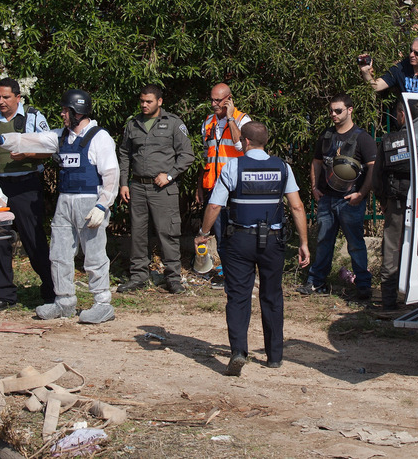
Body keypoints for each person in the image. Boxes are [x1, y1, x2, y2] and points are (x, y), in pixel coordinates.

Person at [0, 89, 120, 324]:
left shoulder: (99, 138)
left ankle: (102, 303)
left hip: (90, 203)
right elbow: (31, 139)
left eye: (66, 110)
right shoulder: (61, 137)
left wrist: (102, 206)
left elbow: (112, 175)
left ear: (78, 111)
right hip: (65, 202)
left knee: (94, 255)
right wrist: (2, 140)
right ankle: (64, 301)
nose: (63, 114)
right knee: (59, 254)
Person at [194, 121, 310, 376]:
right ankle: (275, 357)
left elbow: (215, 206)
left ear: (245, 142)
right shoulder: (282, 167)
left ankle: (238, 351)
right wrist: (303, 243)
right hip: (273, 240)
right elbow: (297, 206)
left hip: (239, 240)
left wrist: (203, 234)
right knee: (272, 295)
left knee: (238, 296)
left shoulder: (233, 166)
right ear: (264, 141)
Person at [0, 78, 54, 310]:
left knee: (34, 239)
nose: (1, 102)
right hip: (0, 187)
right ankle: (5, 295)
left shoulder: (34, 117)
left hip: (27, 185)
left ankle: (50, 289)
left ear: (18, 97)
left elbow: (50, 149)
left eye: (6, 97)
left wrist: (28, 155)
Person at [116, 84, 194, 294]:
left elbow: (187, 154)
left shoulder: (173, 123)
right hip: (138, 187)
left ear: (159, 102)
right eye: (142, 101)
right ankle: (138, 275)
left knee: (167, 233)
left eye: (148, 101)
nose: (144, 105)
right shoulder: (133, 124)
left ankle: (173, 278)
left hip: (163, 190)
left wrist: (169, 175)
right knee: (138, 234)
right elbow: (124, 153)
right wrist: (124, 182)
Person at [298, 92, 376, 298]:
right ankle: (316, 282)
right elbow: (316, 162)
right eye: (331, 110)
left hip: (350, 201)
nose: (333, 114)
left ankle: (363, 285)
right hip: (327, 198)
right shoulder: (326, 135)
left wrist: (361, 193)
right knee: (323, 241)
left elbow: (372, 168)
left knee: (356, 244)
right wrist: (315, 187)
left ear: (350, 110)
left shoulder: (362, 138)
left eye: (338, 110)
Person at [197, 82, 252, 289]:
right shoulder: (208, 122)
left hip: (237, 187)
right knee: (220, 236)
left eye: (218, 100)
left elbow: (241, 146)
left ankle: (242, 275)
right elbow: (205, 156)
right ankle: (230, 276)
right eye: (211, 99)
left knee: (239, 234)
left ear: (229, 99)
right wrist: (199, 186)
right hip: (214, 186)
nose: (213, 104)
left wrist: (229, 119)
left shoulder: (242, 119)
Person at [373, 106, 411, 311]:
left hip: (395, 203)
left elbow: (377, 176)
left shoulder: (389, 141)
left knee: (392, 248)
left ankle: (388, 299)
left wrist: (383, 200)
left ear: (402, 115)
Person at [360, 35, 418, 116]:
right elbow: (376, 86)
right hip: (408, 122)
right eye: (411, 50)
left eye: (417, 53)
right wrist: (365, 71)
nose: (411, 55)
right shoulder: (400, 68)